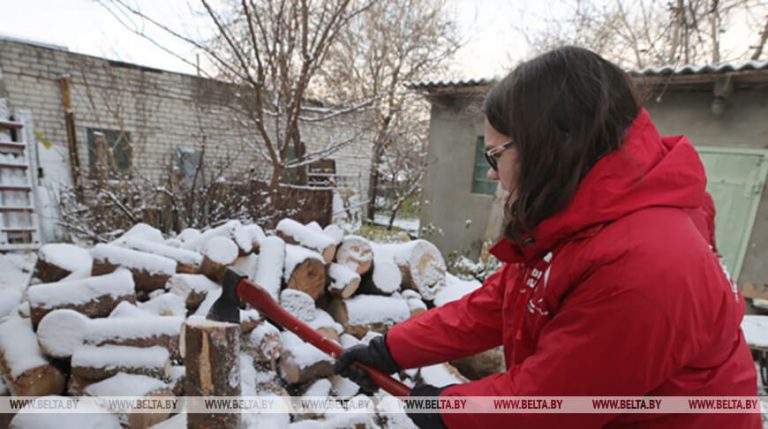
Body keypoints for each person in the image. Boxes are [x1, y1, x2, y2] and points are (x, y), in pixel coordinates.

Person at [334, 46, 760, 428]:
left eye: (495, 155)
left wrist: (449, 410)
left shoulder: (647, 262)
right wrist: (390, 349)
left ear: (552, 145)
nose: (493, 173)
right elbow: (496, 305)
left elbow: (553, 405)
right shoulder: (579, 220)